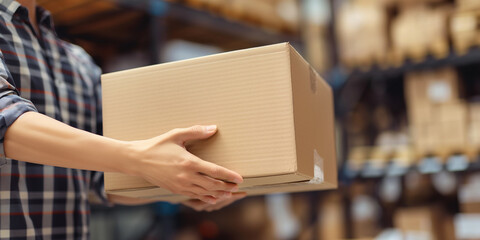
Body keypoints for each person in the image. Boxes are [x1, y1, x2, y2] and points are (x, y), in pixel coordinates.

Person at [0, 0, 246, 238]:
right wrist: (139, 158)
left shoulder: (78, 62)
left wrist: (186, 188)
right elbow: (5, 118)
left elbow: (101, 179)